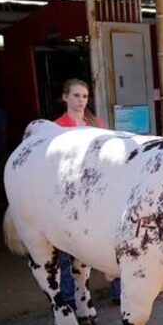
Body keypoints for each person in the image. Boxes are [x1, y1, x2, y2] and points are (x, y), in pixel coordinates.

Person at [53, 78, 121, 305]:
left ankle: (119, 292)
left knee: (109, 238)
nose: (81, 100)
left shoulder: (96, 123)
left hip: (96, 190)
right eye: (76, 96)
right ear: (65, 97)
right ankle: (69, 297)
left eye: (84, 96)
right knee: (67, 247)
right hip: (70, 193)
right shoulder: (56, 127)